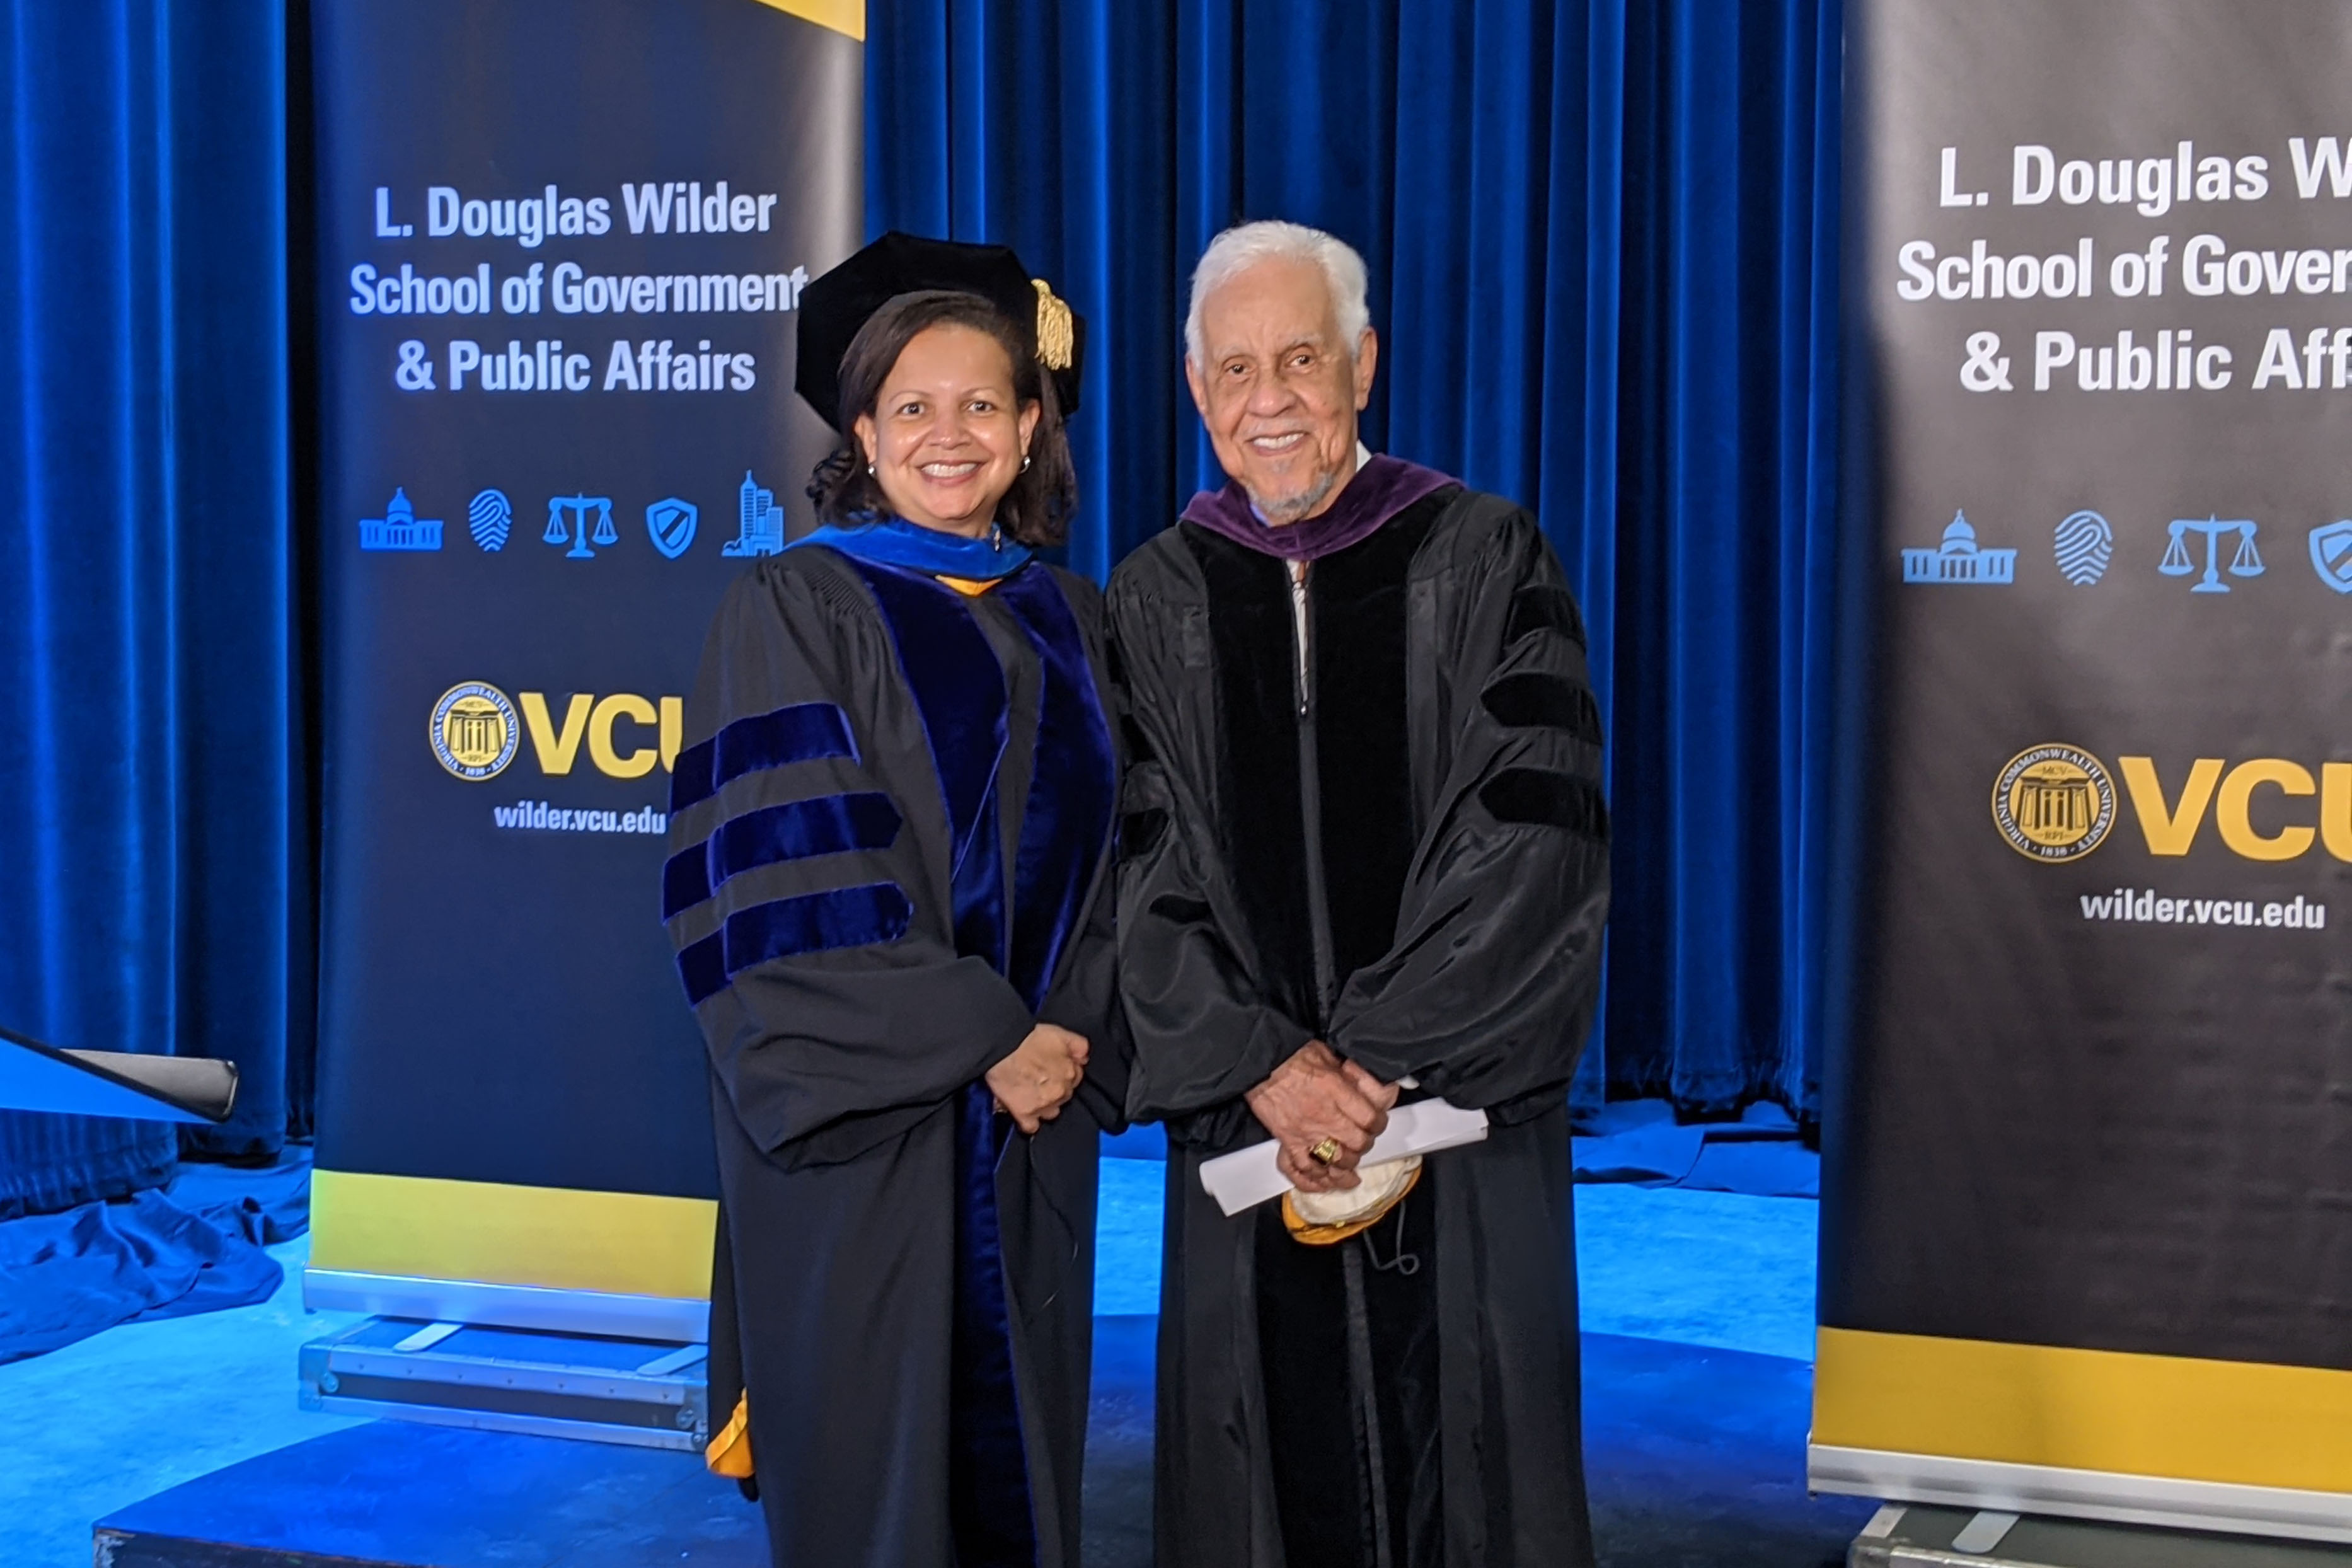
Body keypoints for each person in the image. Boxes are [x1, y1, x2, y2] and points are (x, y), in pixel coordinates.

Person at [1107, 219, 1610, 1568]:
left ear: (1364, 365)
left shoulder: (1484, 556)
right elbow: (1135, 866)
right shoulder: (1152, 600)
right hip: (1250, 1126)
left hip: (1444, 1127)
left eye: (1302, 358)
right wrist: (1267, 1060)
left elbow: (1535, 839)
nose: (1269, 399)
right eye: (1235, 369)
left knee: (1474, 1464)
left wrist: (1375, 1062)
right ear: (1196, 387)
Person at [664, 232, 1123, 1568]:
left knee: (1025, 1464)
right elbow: (783, 885)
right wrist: (991, 1035)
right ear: (862, 430)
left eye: (984, 401)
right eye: (911, 405)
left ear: (1032, 425)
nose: (949, 432)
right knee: (881, 1485)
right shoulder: (794, 603)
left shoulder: (1075, 618)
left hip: (1039, 1122)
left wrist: (1065, 1038)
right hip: (872, 1134)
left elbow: (1123, 864)